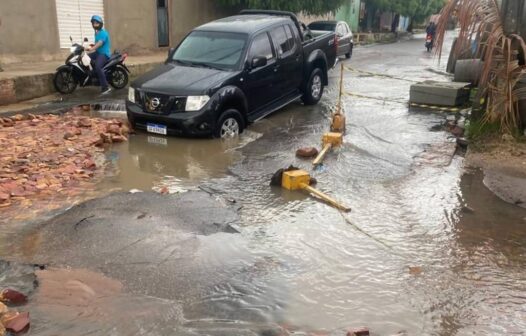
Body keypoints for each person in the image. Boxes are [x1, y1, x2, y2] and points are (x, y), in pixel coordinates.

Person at [86, 15, 112, 95]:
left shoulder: (103, 33)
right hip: (98, 52)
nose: (95, 24)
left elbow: (100, 43)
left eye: (96, 23)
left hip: (104, 54)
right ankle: (94, 76)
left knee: (98, 66)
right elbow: (96, 43)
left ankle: (105, 87)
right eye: (93, 23)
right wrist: (90, 46)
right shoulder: (96, 33)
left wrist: (92, 48)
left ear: (100, 24)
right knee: (86, 58)